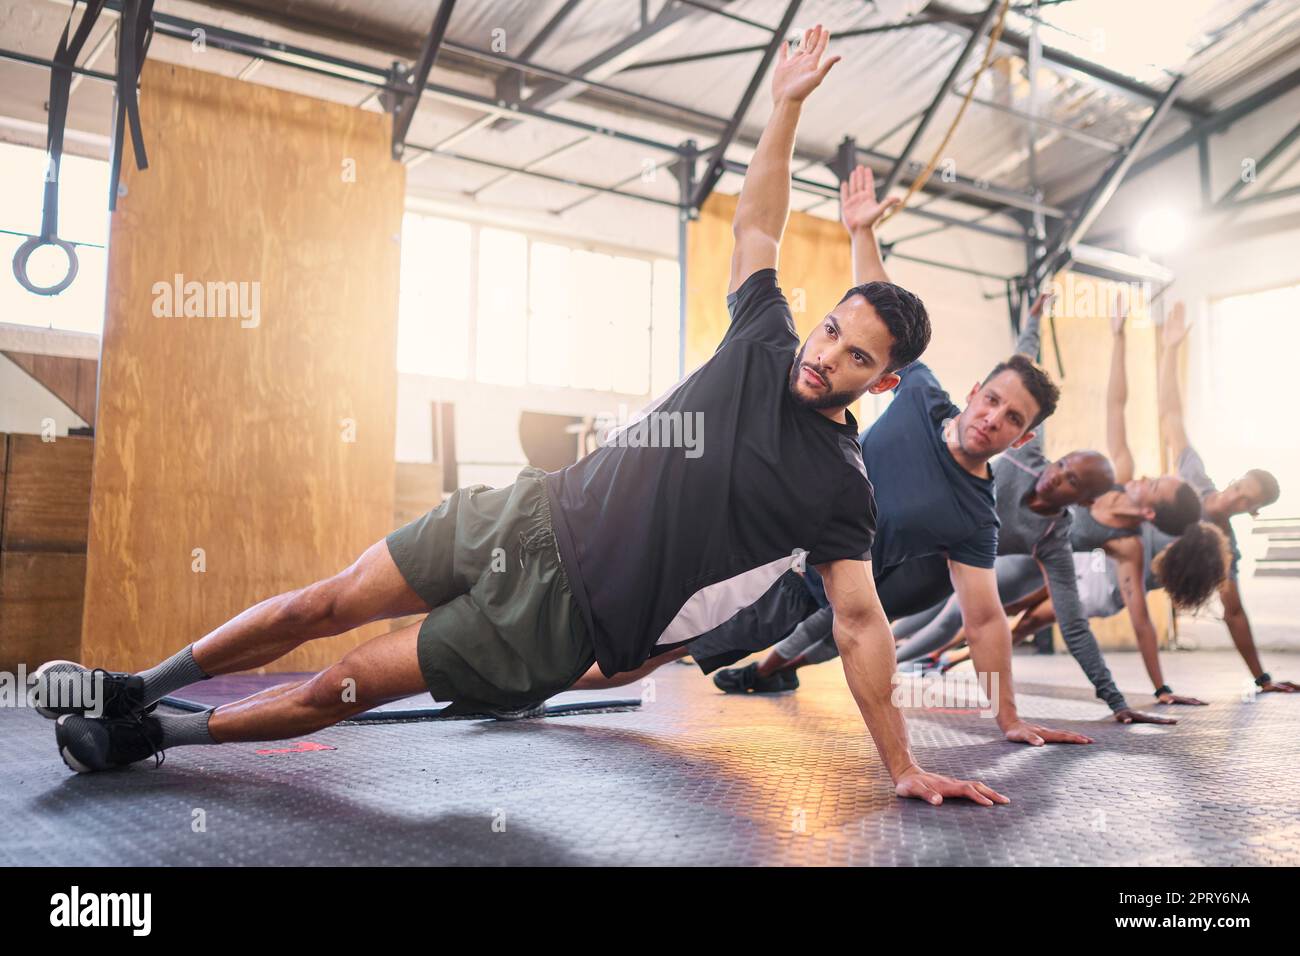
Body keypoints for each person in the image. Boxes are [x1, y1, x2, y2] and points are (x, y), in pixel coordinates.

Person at [35, 27, 1008, 807]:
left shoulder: (838, 489)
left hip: (556, 617)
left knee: (345, 680)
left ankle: (152, 736)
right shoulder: (762, 334)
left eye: (854, 354)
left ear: (880, 384)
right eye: (831, 328)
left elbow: (858, 621)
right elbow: (758, 219)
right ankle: (135, 685)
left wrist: (901, 765)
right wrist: (785, 104)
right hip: (521, 513)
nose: (824, 351)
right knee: (318, 601)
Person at [583, 164, 1094, 750]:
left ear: (1022, 440)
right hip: (747, 530)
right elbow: (880, 317)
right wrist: (860, 231)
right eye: (994, 401)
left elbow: (983, 620)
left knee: (647, 656)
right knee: (609, 599)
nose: (992, 420)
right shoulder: (921, 391)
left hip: (798, 594)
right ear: (976, 390)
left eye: (1012, 420)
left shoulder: (976, 516)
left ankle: (533, 688)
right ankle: (517, 663)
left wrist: (1008, 718)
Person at [878, 295, 1175, 724]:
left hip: (1010, 560)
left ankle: (899, 664)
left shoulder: (1116, 538)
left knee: (947, 620)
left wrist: (1122, 700)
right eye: (1064, 466)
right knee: (896, 615)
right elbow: (1023, 380)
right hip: (955, 535)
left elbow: (1088, 625)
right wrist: (1038, 325)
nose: (1146, 480)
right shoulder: (1039, 459)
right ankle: (846, 658)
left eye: (1157, 489)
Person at [1152, 301, 1296, 693]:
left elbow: (1234, 613)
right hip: (1104, 553)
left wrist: (1261, 679)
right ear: (1234, 480)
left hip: (1126, 584)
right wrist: (1171, 348)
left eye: (1245, 501)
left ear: (1253, 511)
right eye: (1238, 488)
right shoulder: (1195, 478)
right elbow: (1171, 415)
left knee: (1030, 614)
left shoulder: (1224, 546)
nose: (1235, 499)